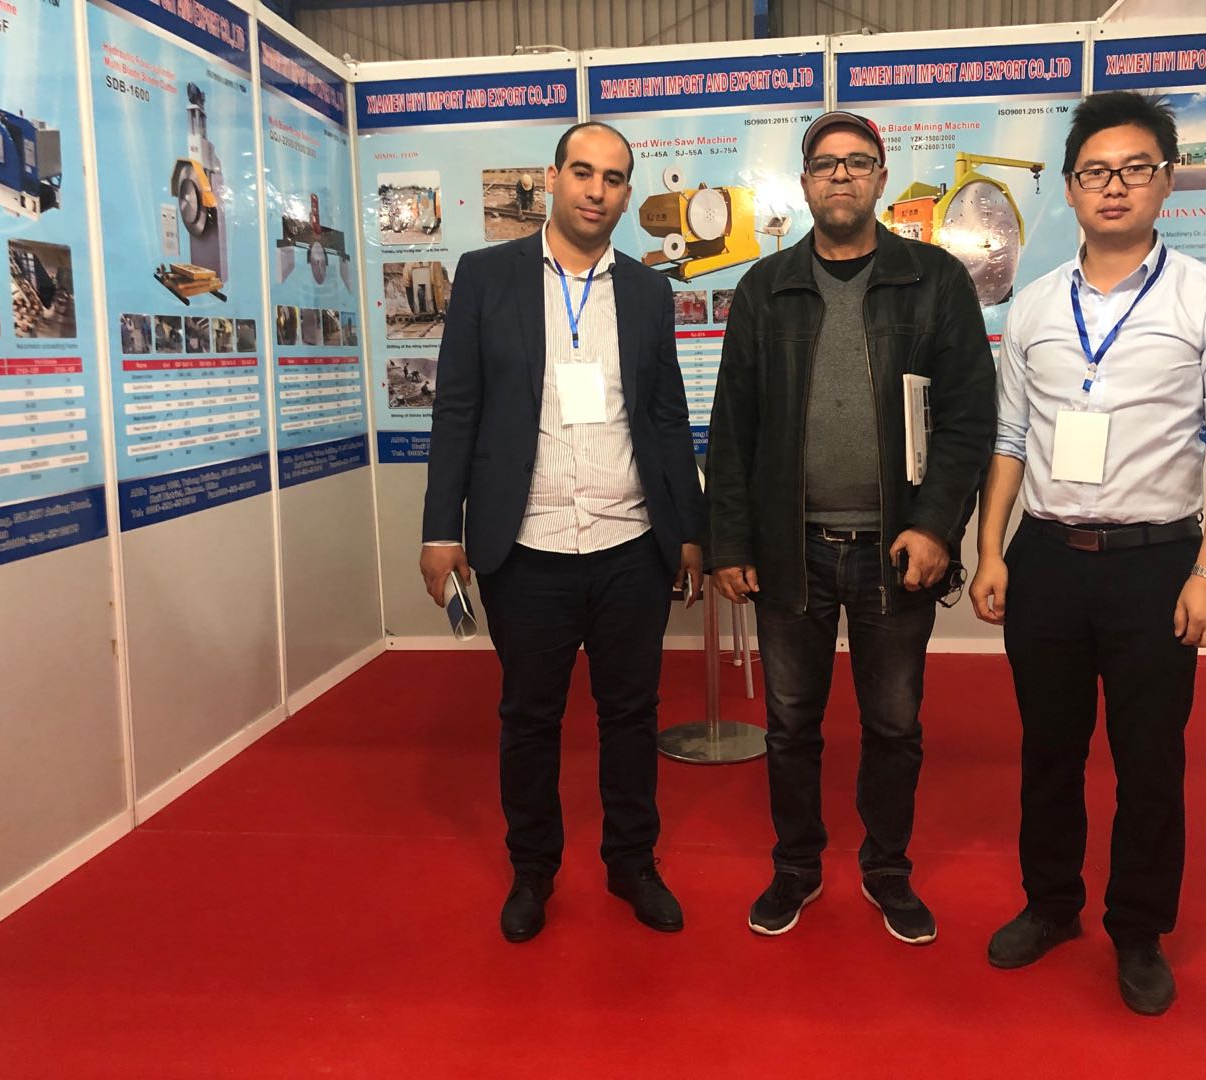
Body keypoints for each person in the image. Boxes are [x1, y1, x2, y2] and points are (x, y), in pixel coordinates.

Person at [969, 91, 1206, 1016]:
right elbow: (1010, 438)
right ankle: (1051, 904)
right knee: (1048, 750)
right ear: (1069, 187)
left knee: (1149, 760)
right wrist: (991, 551)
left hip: (1155, 563)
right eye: (1095, 171)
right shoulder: (1034, 306)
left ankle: (1138, 929)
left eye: (1136, 168)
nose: (1114, 186)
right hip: (1048, 559)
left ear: (1166, 182)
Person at [705, 110, 996, 943]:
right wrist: (730, 543)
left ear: (880, 178)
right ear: (804, 183)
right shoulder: (764, 289)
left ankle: (887, 869)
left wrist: (936, 527)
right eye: (825, 163)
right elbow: (733, 429)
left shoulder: (934, 281)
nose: (841, 175)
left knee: (894, 724)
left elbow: (970, 421)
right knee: (790, 726)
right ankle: (796, 867)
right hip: (789, 551)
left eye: (857, 162)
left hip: (896, 552)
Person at [420, 122, 705, 943]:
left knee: (632, 716)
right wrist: (440, 529)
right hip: (527, 545)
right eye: (582, 172)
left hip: (629, 543)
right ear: (552, 178)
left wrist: (688, 529)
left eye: (613, 179)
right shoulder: (487, 276)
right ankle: (533, 869)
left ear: (627, 193)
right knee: (529, 718)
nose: (596, 191)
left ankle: (632, 862)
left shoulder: (648, 292)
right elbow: (457, 410)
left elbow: (666, 414)